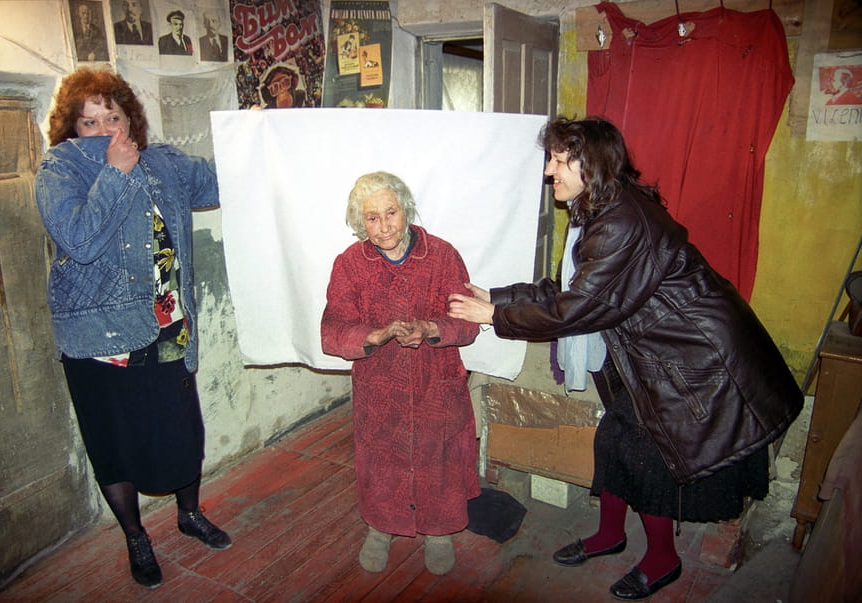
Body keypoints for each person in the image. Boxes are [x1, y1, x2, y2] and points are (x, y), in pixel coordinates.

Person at [448, 116, 804, 600]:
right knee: (614, 440)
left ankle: (663, 559)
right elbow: (569, 287)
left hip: (693, 356)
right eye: (549, 157)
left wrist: (495, 315)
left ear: (588, 163)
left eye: (557, 159)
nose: (548, 171)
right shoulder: (597, 210)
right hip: (657, 352)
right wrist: (496, 294)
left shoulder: (621, 223)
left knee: (643, 455)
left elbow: (578, 307)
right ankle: (610, 535)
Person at [35, 67, 230, 589]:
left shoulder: (163, 162)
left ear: (129, 119)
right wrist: (116, 175)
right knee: (113, 443)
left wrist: (247, 134)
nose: (102, 130)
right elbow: (78, 240)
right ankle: (136, 537)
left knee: (183, 432)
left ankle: (189, 515)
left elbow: (220, 179)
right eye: (88, 121)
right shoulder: (60, 170)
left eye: (111, 117)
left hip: (167, 326)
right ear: (72, 129)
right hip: (97, 340)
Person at [321, 171, 481, 576]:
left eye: (390, 212)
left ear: (405, 210)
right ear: (361, 223)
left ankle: (439, 530)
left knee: (438, 453)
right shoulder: (350, 264)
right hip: (380, 383)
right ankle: (381, 527)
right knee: (381, 457)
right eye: (372, 218)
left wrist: (430, 329)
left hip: (436, 378)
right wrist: (375, 334)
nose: (384, 225)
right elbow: (332, 331)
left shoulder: (442, 255)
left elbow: (468, 323)